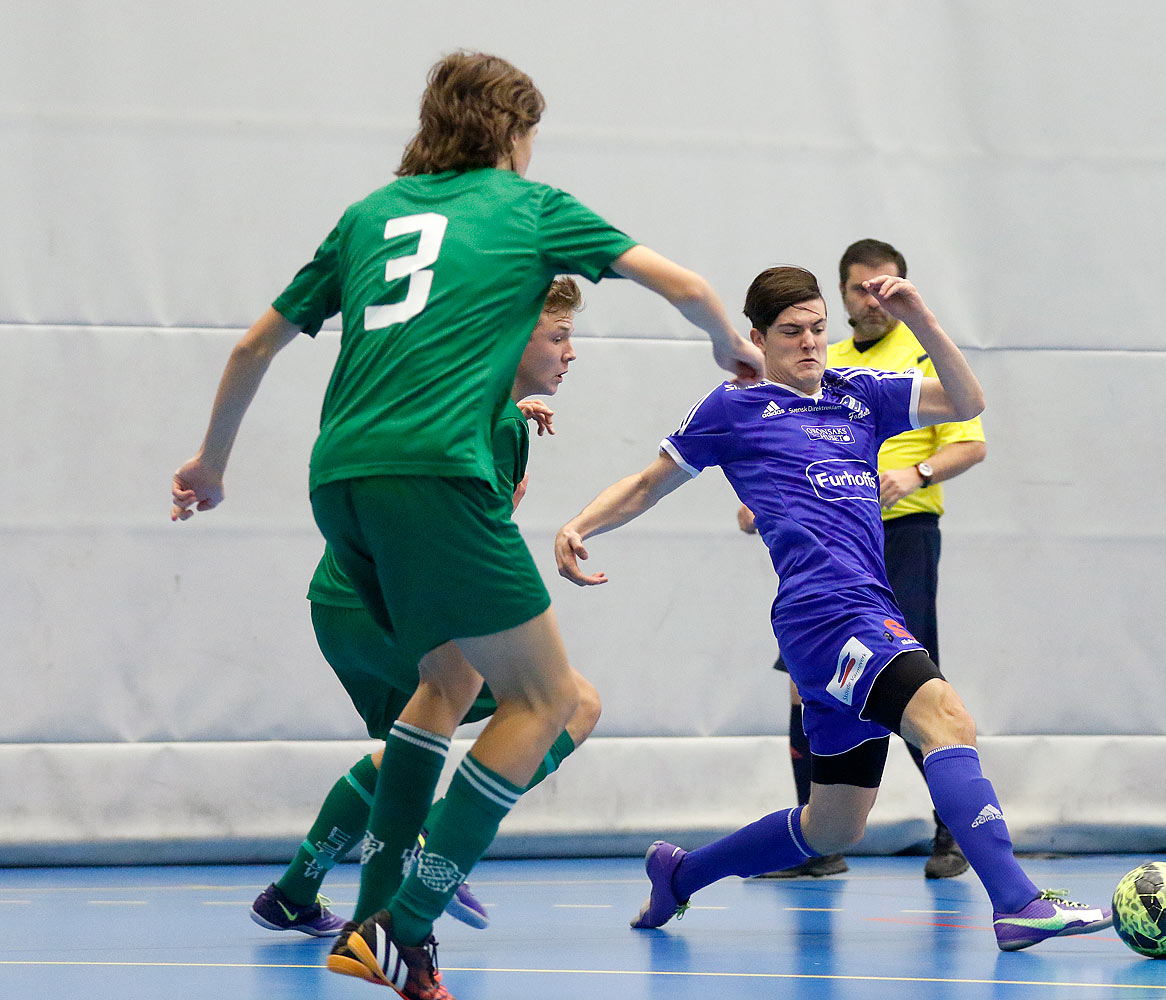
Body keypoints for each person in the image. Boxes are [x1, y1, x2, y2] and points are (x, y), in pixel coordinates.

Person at [171, 50, 762, 1000]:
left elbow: (253, 345)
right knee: (554, 703)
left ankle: (372, 915)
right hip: (436, 473)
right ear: (515, 132)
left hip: (343, 480)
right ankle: (402, 926)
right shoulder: (529, 209)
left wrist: (211, 465)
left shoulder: (370, 215)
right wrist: (729, 342)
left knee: (445, 680)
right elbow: (684, 282)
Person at [555, 266, 1110, 952]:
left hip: (858, 613)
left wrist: (920, 318)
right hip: (827, 616)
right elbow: (647, 483)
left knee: (833, 827)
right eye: (791, 333)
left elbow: (967, 399)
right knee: (947, 719)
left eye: (819, 328)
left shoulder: (862, 396)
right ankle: (1018, 901)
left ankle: (682, 873)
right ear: (756, 338)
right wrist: (580, 524)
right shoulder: (733, 408)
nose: (810, 344)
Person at [249, 277, 595, 941]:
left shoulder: (465, 398)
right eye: (559, 335)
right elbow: (472, 539)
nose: (571, 352)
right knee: (571, 704)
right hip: (397, 598)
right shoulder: (498, 424)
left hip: (343, 597)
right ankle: (431, 848)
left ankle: (294, 891)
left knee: (411, 743)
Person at [742, 239, 986, 880]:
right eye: (860, 289)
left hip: (897, 538)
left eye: (886, 287)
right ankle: (819, 841)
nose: (871, 300)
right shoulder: (822, 363)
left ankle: (952, 836)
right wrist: (765, 500)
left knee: (920, 689)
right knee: (808, 687)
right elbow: (785, 452)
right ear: (845, 295)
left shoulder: (902, 362)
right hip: (822, 564)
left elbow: (969, 434)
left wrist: (917, 472)